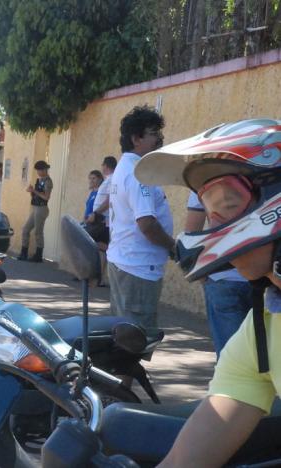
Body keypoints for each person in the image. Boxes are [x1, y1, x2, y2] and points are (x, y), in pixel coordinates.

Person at [133, 118, 281, 467]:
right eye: (208, 205)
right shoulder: (264, 324)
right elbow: (189, 457)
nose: (213, 223)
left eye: (227, 204)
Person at [106, 106, 173, 331]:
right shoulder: (137, 173)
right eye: (154, 133)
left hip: (127, 263)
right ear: (137, 139)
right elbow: (147, 224)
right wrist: (175, 248)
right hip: (138, 267)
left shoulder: (125, 168)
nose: (160, 139)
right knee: (136, 338)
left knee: (124, 333)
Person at [185, 191, 253, 358]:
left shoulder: (203, 179)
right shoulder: (266, 172)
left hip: (222, 276)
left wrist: (202, 275)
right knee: (265, 359)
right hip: (261, 278)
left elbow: (191, 234)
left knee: (230, 358)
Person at [17, 160, 53, 262]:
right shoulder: (40, 180)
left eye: (39, 170)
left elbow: (46, 197)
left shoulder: (48, 181)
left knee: (38, 232)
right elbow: (36, 196)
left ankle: (38, 255)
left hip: (42, 209)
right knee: (26, 229)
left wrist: (34, 191)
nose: (38, 172)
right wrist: (31, 192)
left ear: (44, 170)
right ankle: (24, 253)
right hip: (36, 207)